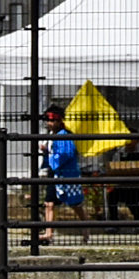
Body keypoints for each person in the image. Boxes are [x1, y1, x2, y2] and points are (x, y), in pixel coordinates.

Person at [36, 105, 83, 244]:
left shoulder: (64, 135)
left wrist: (51, 157)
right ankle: (48, 232)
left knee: (75, 204)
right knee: (49, 203)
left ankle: (85, 229)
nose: (49, 123)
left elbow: (66, 154)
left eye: (51, 121)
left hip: (65, 173)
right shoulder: (52, 136)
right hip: (54, 171)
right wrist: (46, 153)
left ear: (58, 121)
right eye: (48, 121)